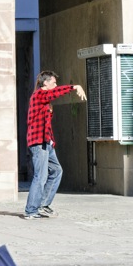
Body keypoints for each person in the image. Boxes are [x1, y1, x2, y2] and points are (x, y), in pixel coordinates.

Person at [24, 71, 87, 219]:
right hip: (38, 142)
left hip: (46, 143)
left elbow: (46, 125)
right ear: (45, 83)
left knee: (57, 171)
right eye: (53, 82)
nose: (56, 84)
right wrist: (74, 87)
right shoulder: (39, 95)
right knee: (41, 176)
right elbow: (55, 93)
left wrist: (51, 141)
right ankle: (31, 210)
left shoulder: (44, 100)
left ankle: (43, 205)